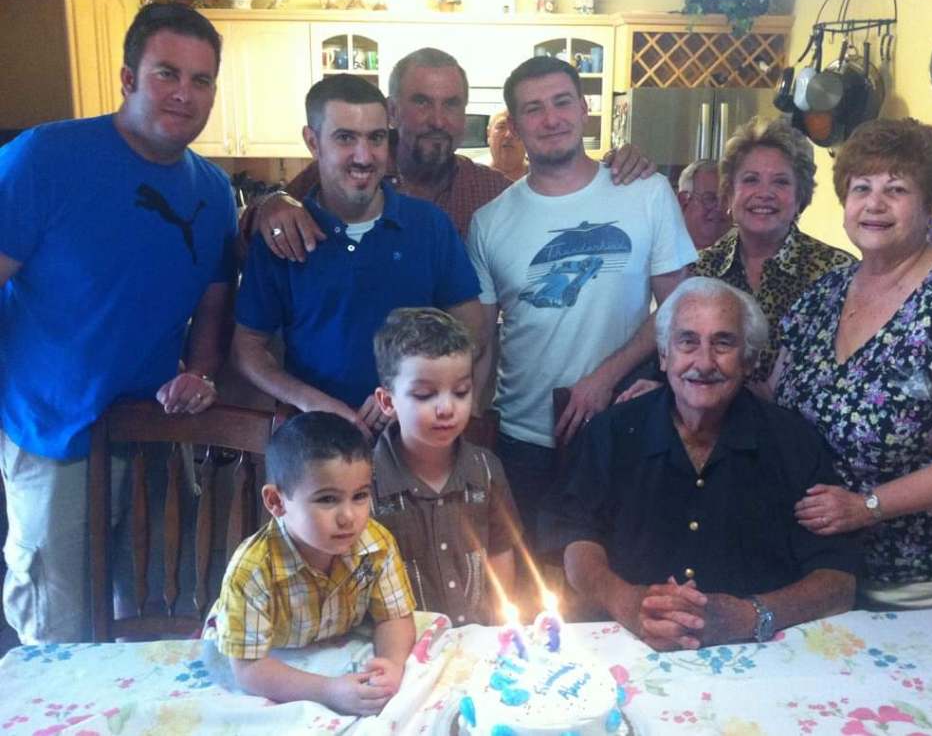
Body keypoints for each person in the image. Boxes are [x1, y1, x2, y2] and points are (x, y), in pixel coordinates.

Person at [0, 3, 235, 644]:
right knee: (60, 632)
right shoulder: (44, 159)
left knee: (156, 620)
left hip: (155, 435)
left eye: (202, 80)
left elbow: (212, 311)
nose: (185, 93)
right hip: (54, 438)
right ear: (128, 78)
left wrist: (202, 374)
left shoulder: (213, 193)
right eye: (167, 73)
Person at [774, 118, 932, 611]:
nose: (875, 204)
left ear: (930, 204)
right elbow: (776, 397)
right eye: (861, 188)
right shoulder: (823, 294)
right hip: (828, 563)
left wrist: (867, 507)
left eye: (897, 189)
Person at [541, 277, 859, 650]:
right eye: (687, 342)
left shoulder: (793, 442)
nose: (704, 363)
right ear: (664, 356)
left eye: (723, 343)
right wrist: (625, 601)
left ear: (749, 360)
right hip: (629, 645)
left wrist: (750, 615)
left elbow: (839, 579)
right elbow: (574, 537)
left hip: (761, 653)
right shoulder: (612, 432)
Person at [467, 57, 696, 546]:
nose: (551, 119)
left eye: (562, 102)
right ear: (516, 125)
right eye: (534, 109)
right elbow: (481, 341)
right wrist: (465, 428)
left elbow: (679, 309)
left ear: (584, 108)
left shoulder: (646, 192)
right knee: (526, 577)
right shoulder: (489, 222)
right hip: (523, 440)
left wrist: (603, 379)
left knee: (619, 570)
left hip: (622, 428)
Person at [231, 75, 482, 440]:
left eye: (376, 138)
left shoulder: (429, 225)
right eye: (345, 138)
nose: (364, 156)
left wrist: (408, 390)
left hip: (415, 440)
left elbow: (472, 329)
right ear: (313, 142)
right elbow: (247, 350)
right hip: (315, 442)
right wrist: (311, 402)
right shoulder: (283, 236)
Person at [245, 48, 654, 261]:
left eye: (452, 104)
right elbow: (246, 244)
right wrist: (271, 203)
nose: (438, 120)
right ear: (392, 111)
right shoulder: (349, 173)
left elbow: (566, 224)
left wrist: (613, 170)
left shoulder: (492, 193)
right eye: (422, 102)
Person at [205, 411, 415, 715]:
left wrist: (391, 664)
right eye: (327, 499)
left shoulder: (376, 544)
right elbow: (248, 669)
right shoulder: (252, 570)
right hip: (264, 661)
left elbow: (394, 617)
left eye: (360, 496)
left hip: (333, 649)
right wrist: (329, 691)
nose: (349, 516)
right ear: (276, 502)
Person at [371, 308, 522, 626]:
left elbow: (500, 551)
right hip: (401, 646)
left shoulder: (486, 469)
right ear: (387, 402)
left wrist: (501, 626)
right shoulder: (365, 483)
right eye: (424, 395)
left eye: (461, 392)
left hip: (476, 641)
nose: (446, 408)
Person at [692, 117, 854, 382]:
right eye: (751, 179)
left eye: (781, 182)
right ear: (729, 193)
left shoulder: (837, 272)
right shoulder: (699, 269)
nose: (764, 193)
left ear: (800, 196)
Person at [676, 159, 728, 250]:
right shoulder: (659, 251)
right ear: (683, 200)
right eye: (710, 198)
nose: (720, 207)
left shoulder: (745, 255)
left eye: (726, 199)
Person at [486, 109, 528, 181]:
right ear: (488, 134)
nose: (509, 135)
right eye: (501, 127)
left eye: (516, 128)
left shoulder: (544, 180)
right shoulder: (475, 180)